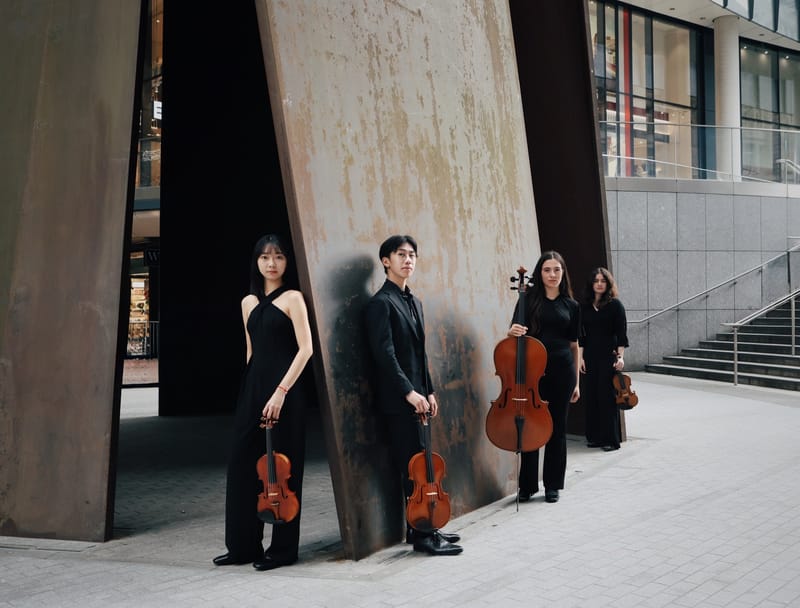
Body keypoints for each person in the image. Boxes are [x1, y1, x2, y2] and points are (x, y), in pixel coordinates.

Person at [213, 234, 313, 571]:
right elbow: (251, 353)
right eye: (265, 257)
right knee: (242, 468)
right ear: (256, 262)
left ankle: (283, 550)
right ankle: (242, 547)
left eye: (279, 257)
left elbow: (306, 349)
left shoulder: (293, 298)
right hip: (253, 393)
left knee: (283, 470)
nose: (272, 264)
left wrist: (280, 392)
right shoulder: (248, 303)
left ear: (287, 262)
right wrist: (250, 394)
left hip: (286, 394)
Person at [364, 235, 463, 556]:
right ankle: (423, 538)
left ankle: (425, 527)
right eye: (400, 254)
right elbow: (385, 355)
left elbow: (419, 355)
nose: (408, 260)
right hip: (399, 402)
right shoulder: (380, 304)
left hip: (419, 399)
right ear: (385, 261)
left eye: (412, 255)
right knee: (414, 470)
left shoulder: (414, 302)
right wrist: (409, 392)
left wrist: (429, 390)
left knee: (423, 468)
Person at [507, 251, 580, 504]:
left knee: (557, 429)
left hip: (563, 372)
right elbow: (515, 335)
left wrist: (577, 382)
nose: (552, 275)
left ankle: (553, 485)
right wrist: (512, 331)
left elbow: (574, 345)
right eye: (547, 270)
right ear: (540, 273)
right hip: (532, 373)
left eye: (556, 270)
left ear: (563, 273)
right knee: (530, 426)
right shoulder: (527, 299)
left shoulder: (571, 306)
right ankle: (527, 486)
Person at [579, 267, 629, 452]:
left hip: (609, 355)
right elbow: (581, 336)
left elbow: (621, 334)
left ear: (608, 284)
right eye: (596, 281)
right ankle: (595, 438)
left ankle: (610, 440)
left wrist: (621, 357)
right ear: (591, 284)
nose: (599, 284)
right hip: (590, 356)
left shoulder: (616, 305)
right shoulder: (584, 306)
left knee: (607, 397)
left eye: (603, 281)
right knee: (592, 396)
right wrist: (581, 358)